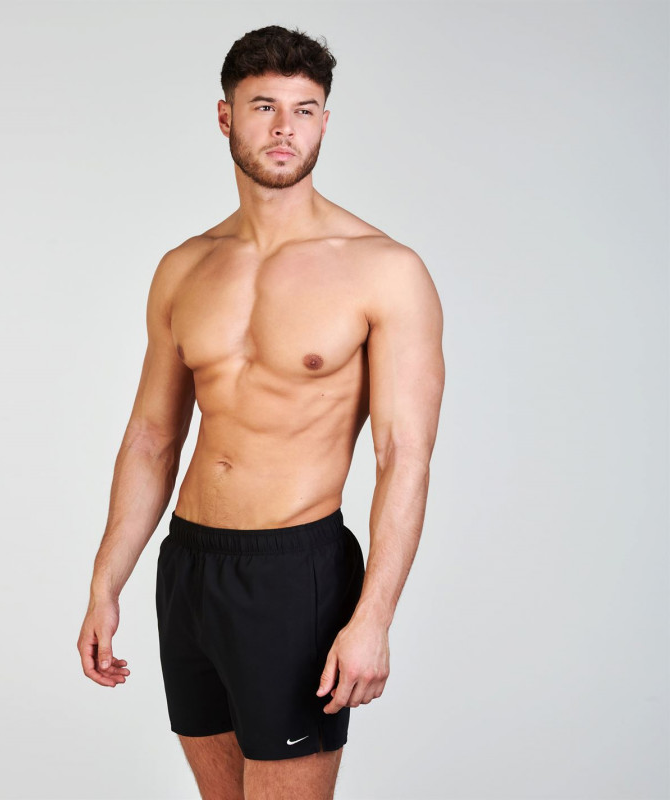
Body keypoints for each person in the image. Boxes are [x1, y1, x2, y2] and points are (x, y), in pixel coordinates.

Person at [77, 24, 445, 800]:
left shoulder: (385, 270)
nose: (285, 129)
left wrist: (374, 617)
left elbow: (404, 456)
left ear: (325, 122)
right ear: (225, 117)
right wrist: (106, 582)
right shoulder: (185, 267)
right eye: (264, 107)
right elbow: (151, 438)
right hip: (189, 566)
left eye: (304, 110)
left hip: (293, 575)